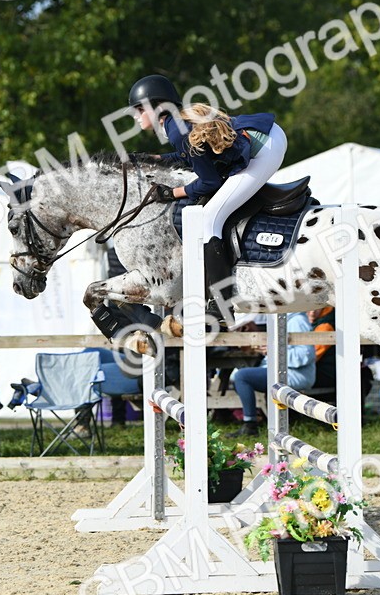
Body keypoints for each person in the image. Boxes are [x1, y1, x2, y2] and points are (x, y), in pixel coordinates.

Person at [129, 74, 287, 324]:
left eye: (139, 109)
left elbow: (209, 182)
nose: (136, 117)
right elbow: (189, 155)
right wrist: (156, 159)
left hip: (265, 148)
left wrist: (171, 193)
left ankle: (221, 305)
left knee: (209, 218)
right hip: (267, 135)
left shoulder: (176, 130)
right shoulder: (176, 124)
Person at [231, 312, 315, 436]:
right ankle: (256, 420)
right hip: (283, 370)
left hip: (296, 374)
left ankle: (250, 425)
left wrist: (274, 351)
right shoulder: (283, 320)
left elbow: (306, 356)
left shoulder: (297, 321)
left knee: (241, 377)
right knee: (238, 376)